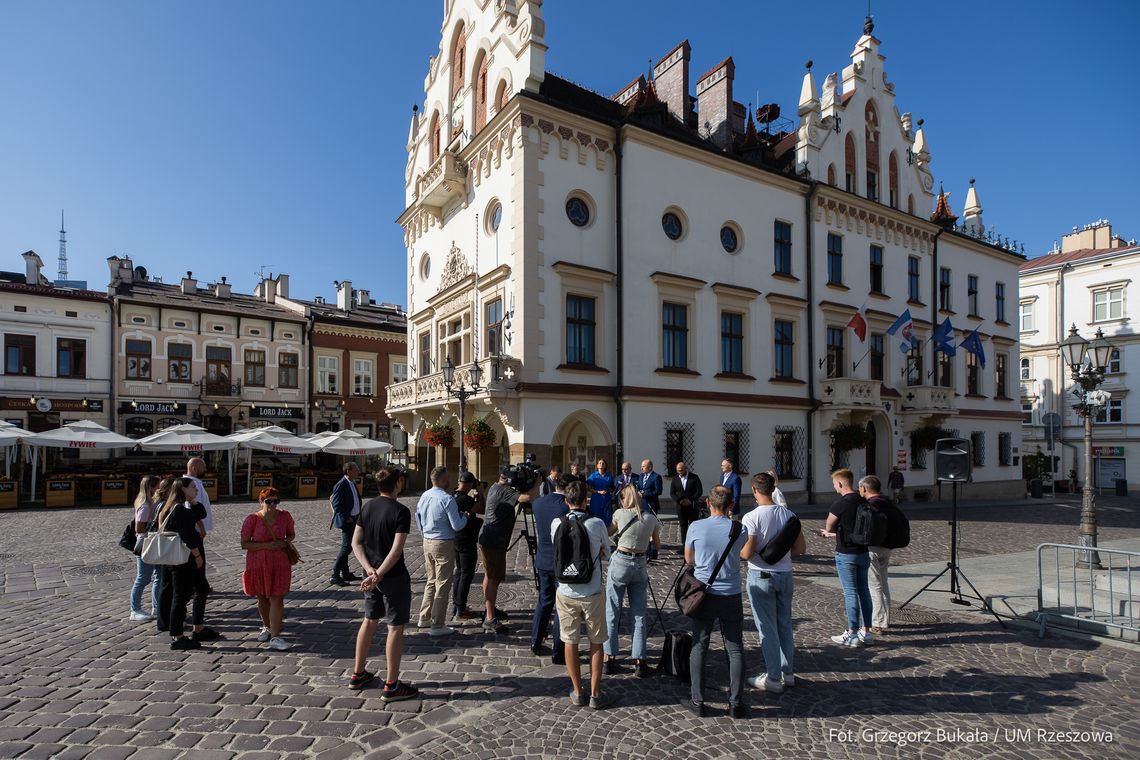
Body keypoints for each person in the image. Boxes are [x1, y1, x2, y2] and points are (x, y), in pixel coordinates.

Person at [350, 467, 419, 701]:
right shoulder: (400, 511)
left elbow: (356, 543)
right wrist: (379, 573)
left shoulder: (367, 507)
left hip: (369, 574)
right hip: (393, 576)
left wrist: (369, 570)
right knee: (395, 627)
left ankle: (358, 673)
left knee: (369, 621)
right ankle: (392, 684)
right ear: (397, 484)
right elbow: (396, 550)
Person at [685, 486, 749, 718]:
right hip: (731, 593)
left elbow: (688, 559)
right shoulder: (740, 529)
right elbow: (743, 554)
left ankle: (698, 700)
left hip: (704, 593)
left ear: (707, 503)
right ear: (730, 505)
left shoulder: (696, 526)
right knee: (734, 648)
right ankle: (735, 703)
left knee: (699, 645)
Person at [740, 473, 805, 694]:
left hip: (761, 574)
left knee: (766, 627)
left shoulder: (751, 517)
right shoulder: (789, 514)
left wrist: (740, 551)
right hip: (785, 573)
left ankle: (774, 677)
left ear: (755, 490)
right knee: (785, 623)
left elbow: (747, 553)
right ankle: (788, 672)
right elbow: (800, 548)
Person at [553, 480, 614, 710]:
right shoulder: (596, 523)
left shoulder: (555, 523)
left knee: (570, 641)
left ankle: (578, 691)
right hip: (592, 590)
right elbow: (607, 553)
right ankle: (596, 694)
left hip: (566, 590)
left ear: (567, 501)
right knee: (596, 641)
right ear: (585, 501)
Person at [604, 485, 661, 678]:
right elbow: (658, 544)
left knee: (612, 611)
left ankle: (609, 658)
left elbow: (608, 532)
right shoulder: (651, 518)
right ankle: (640, 660)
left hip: (621, 561)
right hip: (640, 563)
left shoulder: (620, 513)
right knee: (639, 614)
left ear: (624, 499)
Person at [818, 468, 874, 647]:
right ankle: (867, 631)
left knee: (850, 592)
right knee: (864, 591)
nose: (834, 487)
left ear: (841, 483)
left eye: (835, 484)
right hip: (863, 552)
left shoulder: (840, 504)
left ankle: (852, 633)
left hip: (846, 553)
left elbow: (829, 524)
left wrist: (829, 532)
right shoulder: (863, 501)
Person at [159, 477, 216, 650]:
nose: (196, 490)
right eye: (193, 488)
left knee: (202, 588)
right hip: (184, 559)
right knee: (181, 595)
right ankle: (177, 636)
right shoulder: (178, 510)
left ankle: (198, 627)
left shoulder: (184, 507)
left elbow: (202, 513)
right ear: (182, 490)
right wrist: (198, 555)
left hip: (187, 557)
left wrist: (192, 500)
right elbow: (188, 536)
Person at [240, 487, 295, 651]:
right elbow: (244, 543)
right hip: (258, 562)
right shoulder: (252, 519)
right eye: (268, 501)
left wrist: (285, 541)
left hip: (279, 562)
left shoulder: (285, 516)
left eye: (275, 501)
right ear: (261, 501)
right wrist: (267, 545)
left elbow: (291, 534)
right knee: (262, 597)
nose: (272, 504)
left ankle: (275, 637)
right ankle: (266, 626)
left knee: (277, 597)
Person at [414, 466, 466, 636]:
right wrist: (465, 516)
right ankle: (437, 624)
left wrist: (425, 534)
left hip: (427, 540)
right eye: (448, 478)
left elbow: (418, 518)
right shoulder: (447, 498)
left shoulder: (424, 495)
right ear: (444, 480)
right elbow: (457, 525)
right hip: (443, 542)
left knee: (431, 580)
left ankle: (424, 617)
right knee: (442, 584)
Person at [479, 469, 529, 633]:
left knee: (489, 575)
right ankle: (490, 618)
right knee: (493, 578)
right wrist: (537, 483)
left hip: (489, 538)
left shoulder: (495, 486)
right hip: (495, 540)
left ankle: (489, 609)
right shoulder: (505, 490)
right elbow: (527, 498)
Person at [530, 473, 571, 664]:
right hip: (561, 561)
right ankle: (558, 651)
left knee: (544, 602)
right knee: (561, 608)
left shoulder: (538, 503)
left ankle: (535, 642)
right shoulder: (566, 507)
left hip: (543, 560)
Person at [860, 475, 900, 635]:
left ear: (864, 488)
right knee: (883, 583)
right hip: (887, 547)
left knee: (874, 585)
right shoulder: (888, 503)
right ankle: (885, 620)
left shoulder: (869, 506)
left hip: (872, 548)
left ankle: (877, 622)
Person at [451, 471, 484, 621]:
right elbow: (482, 509)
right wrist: (481, 494)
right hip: (466, 540)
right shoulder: (465, 499)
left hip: (455, 538)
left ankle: (456, 605)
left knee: (459, 572)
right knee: (466, 573)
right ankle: (461, 608)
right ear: (470, 484)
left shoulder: (453, 495)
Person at [128, 475, 161, 622]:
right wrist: (153, 526)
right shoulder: (145, 505)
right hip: (144, 544)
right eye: (158, 486)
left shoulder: (149, 503)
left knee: (159, 575)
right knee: (143, 578)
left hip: (152, 542)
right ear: (152, 488)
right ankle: (134, 609)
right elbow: (139, 528)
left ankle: (157, 606)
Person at [330, 463, 364, 586]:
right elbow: (336, 504)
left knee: (349, 547)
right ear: (348, 471)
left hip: (355, 519)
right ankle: (335, 574)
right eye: (356, 469)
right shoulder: (341, 485)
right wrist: (346, 517)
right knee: (346, 547)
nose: (358, 471)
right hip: (347, 521)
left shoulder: (352, 483)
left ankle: (345, 573)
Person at [152, 477, 176, 633]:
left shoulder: (160, 504)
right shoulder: (165, 506)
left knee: (162, 582)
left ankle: (161, 614)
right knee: (165, 583)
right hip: (167, 549)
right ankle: (164, 616)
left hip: (164, 548)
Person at [670, 461, 703, 549]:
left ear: (686, 469)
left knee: (693, 525)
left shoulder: (694, 477)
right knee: (683, 525)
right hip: (680, 506)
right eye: (678, 471)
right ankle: (684, 546)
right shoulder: (675, 478)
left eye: (681, 470)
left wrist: (690, 500)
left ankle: (694, 545)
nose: (680, 472)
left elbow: (699, 491)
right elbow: (672, 493)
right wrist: (679, 500)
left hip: (692, 506)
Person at [586, 458, 615, 525]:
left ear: (605, 466)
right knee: (595, 516)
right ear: (597, 466)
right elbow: (588, 487)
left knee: (607, 517)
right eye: (600, 463)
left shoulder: (609, 476)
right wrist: (597, 492)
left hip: (606, 499)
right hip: (596, 499)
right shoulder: (593, 475)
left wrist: (607, 491)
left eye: (603, 463)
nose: (601, 464)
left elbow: (612, 488)